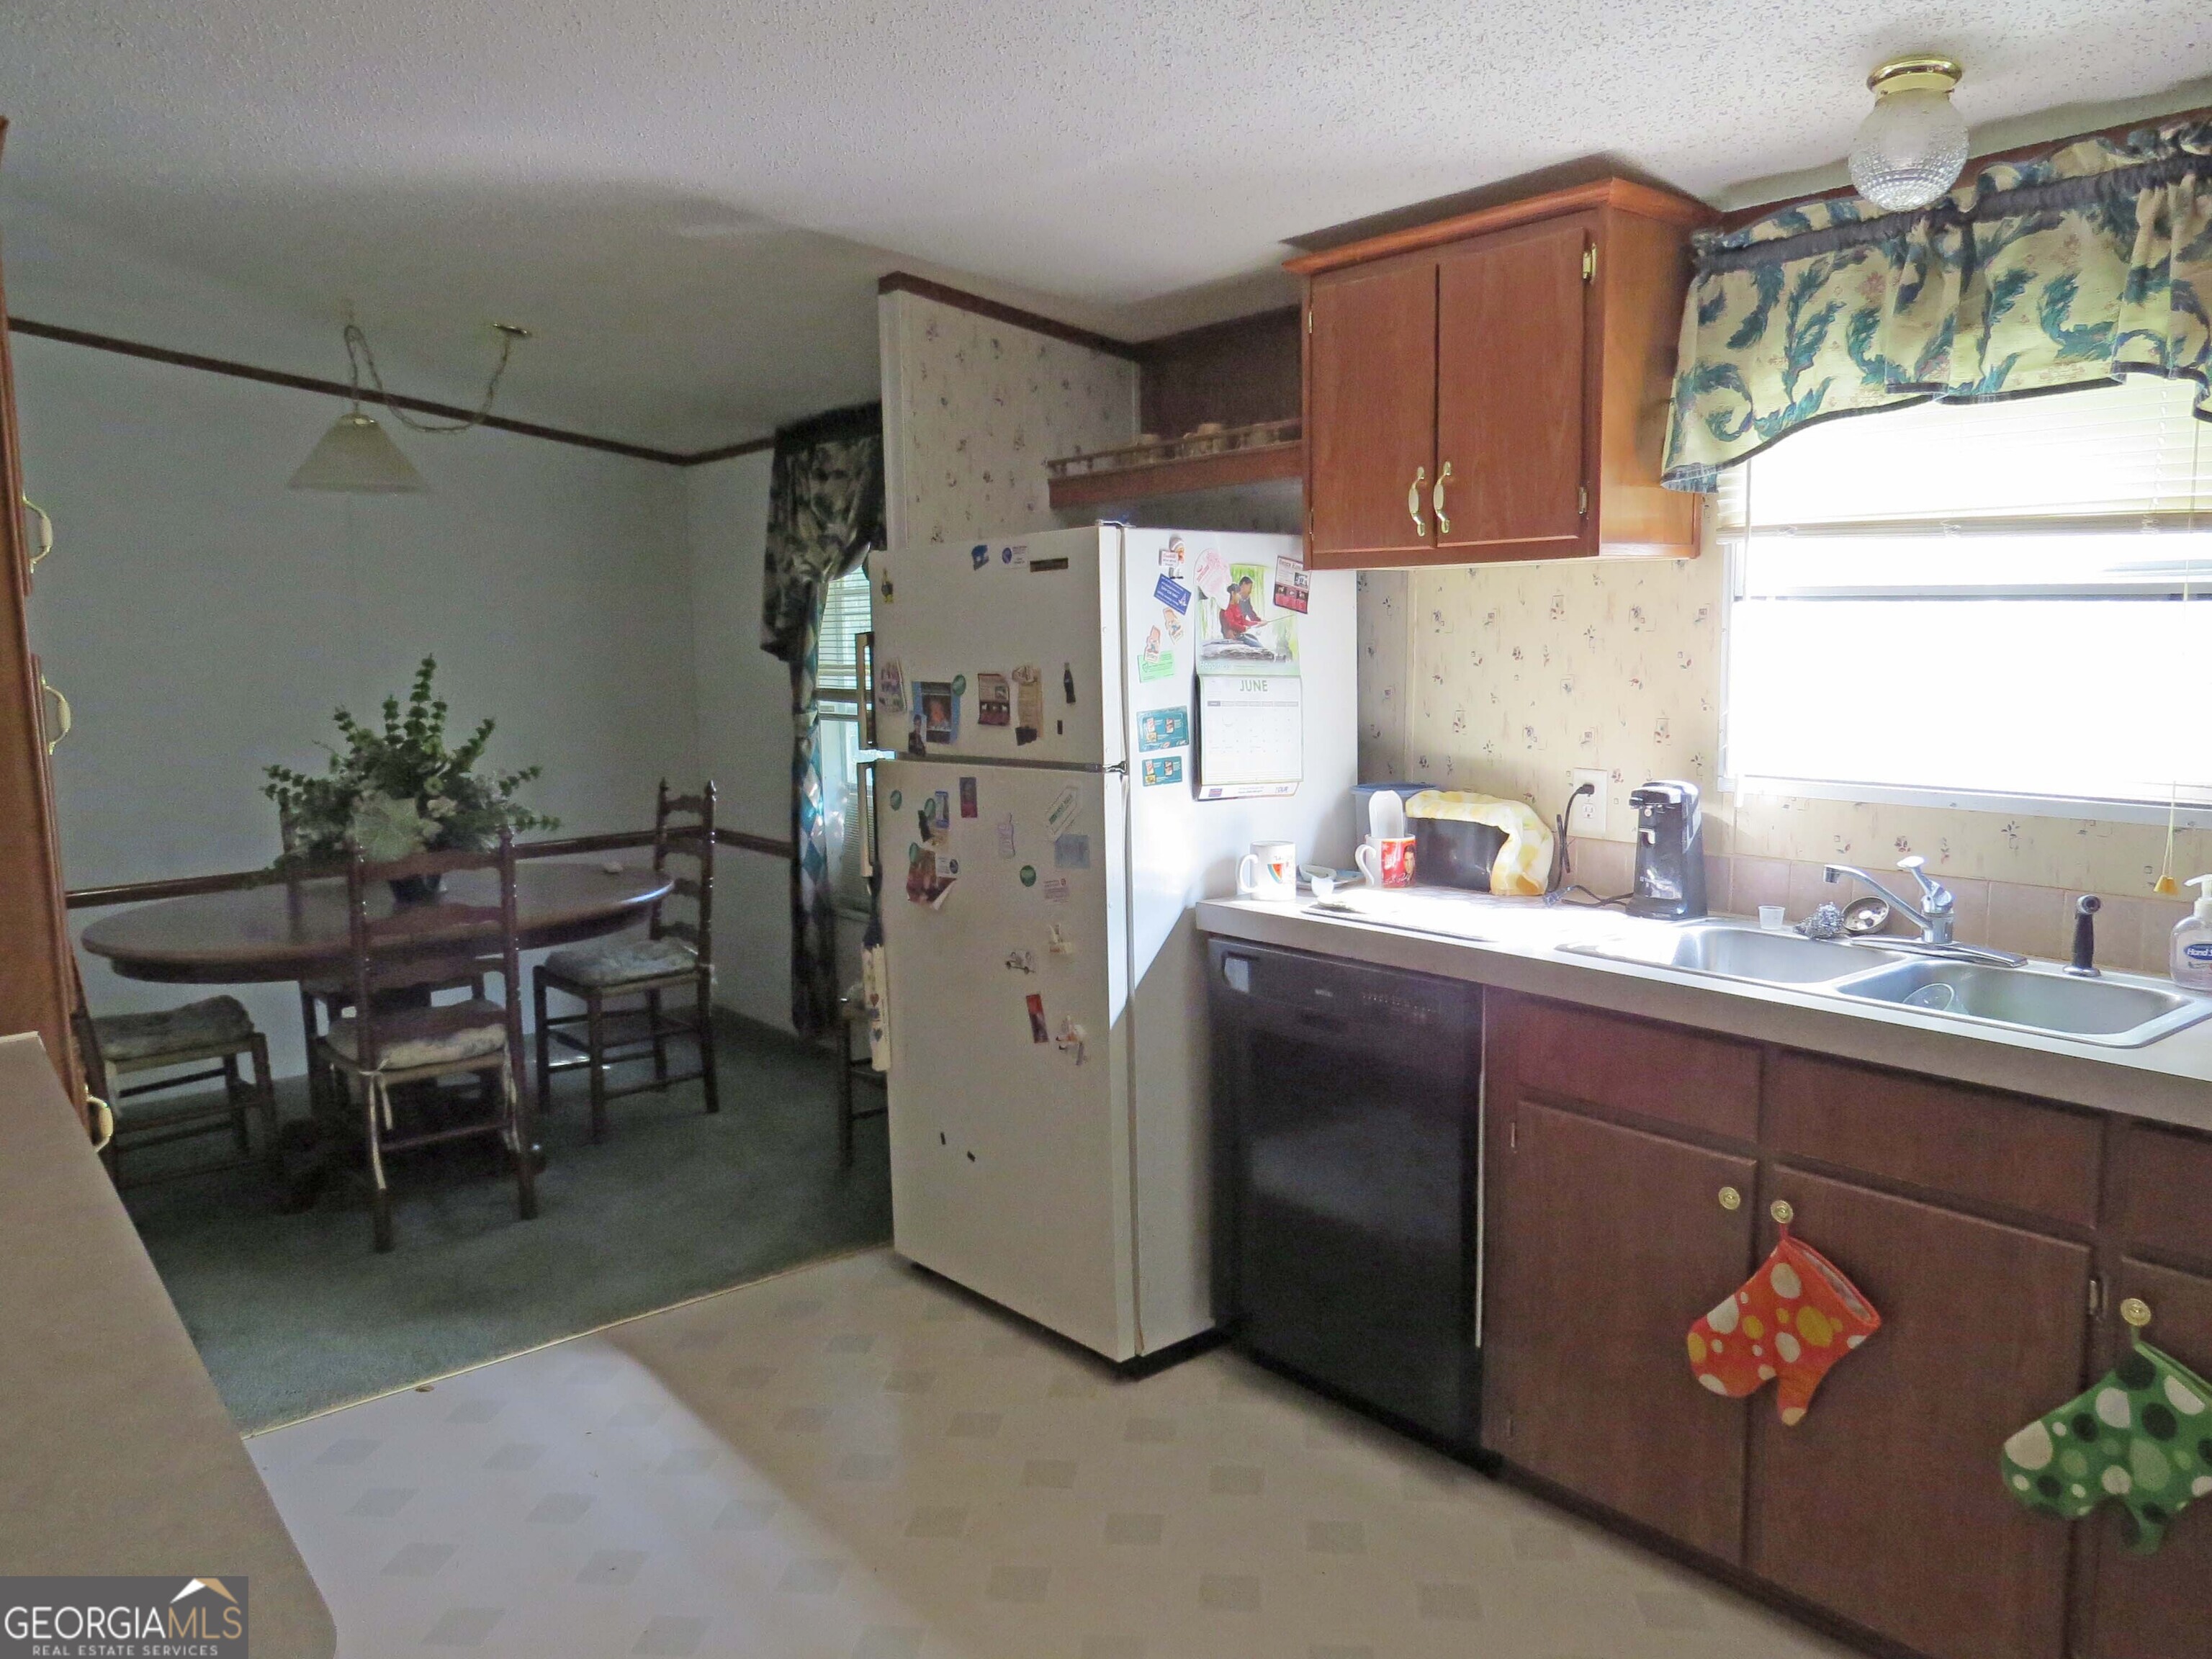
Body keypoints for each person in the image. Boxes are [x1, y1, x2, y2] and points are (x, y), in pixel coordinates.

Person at [1220, 575, 1263, 639]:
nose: (1250, 591)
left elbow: (1248, 617)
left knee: (1254, 638)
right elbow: (1229, 623)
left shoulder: (1243, 601)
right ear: (1244, 584)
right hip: (1232, 634)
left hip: (1240, 632)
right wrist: (1228, 631)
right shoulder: (1227, 607)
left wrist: (1259, 622)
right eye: (1250, 587)